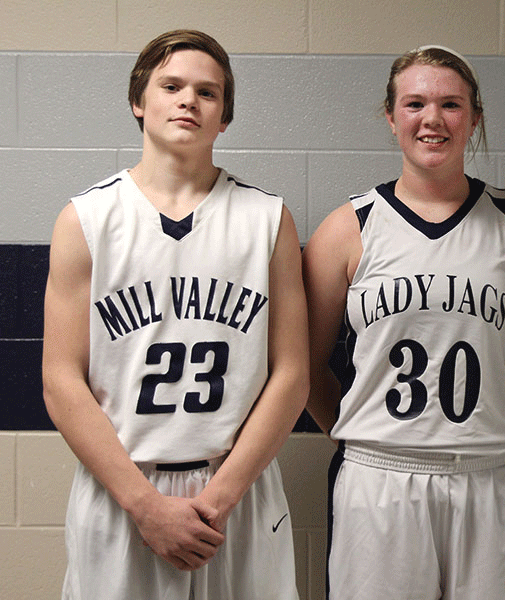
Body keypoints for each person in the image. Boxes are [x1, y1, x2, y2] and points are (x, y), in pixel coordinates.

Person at [42, 30, 308, 599]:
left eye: (207, 92)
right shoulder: (85, 220)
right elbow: (61, 380)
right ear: (139, 101)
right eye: (172, 85)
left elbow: (291, 375)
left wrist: (218, 499)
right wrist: (145, 507)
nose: (189, 100)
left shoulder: (268, 219)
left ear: (225, 117)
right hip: (124, 491)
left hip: (235, 489)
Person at [302, 45, 505, 600]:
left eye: (451, 105)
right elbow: (306, 366)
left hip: (493, 474)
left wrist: (493, 424)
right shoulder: (348, 228)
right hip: (378, 475)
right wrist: (363, 433)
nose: (432, 119)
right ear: (391, 118)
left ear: (474, 117)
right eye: (414, 104)